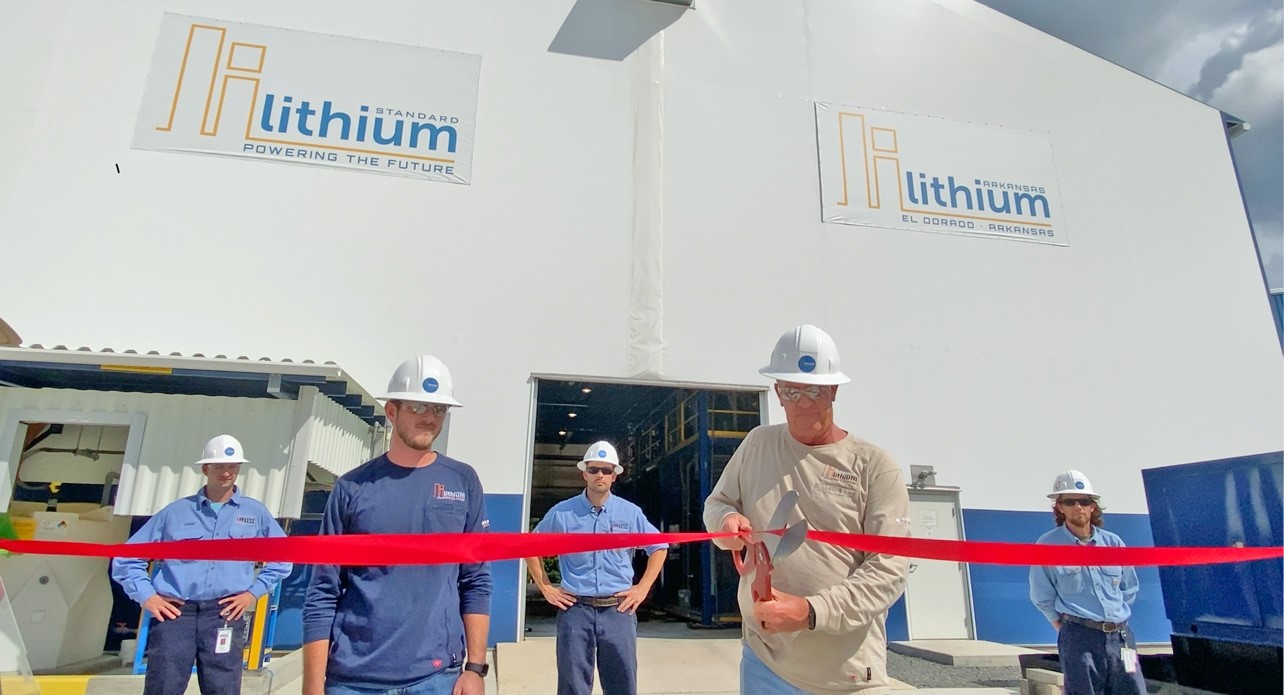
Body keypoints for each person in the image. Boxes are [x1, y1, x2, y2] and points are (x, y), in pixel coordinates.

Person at [703, 324, 911, 694]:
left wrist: (811, 611)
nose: (801, 401)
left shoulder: (874, 466)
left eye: (813, 390)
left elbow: (889, 569)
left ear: (833, 390)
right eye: (791, 389)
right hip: (764, 661)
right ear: (778, 393)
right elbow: (717, 503)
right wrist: (726, 522)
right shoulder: (757, 444)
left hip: (842, 673)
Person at [303, 355, 492, 695]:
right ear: (392, 411)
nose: (430, 418)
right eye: (418, 407)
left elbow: (475, 580)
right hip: (355, 681)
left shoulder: (463, 481)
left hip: (438, 678)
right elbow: (322, 592)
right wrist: (313, 688)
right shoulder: (352, 488)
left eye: (439, 409)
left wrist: (475, 669)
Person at [112, 434, 291, 695]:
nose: (226, 473)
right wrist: (148, 597)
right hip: (175, 614)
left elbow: (284, 556)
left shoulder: (255, 513)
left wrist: (253, 594)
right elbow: (127, 558)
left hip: (225, 614)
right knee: (164, 687)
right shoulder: (175, 513)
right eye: (219, 466)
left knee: (223, 689)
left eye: (233, 467)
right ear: (205, 468)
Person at [525, 440, 668, 695]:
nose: (599, 475)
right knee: (572, 686)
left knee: (622, 684)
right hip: (575, 611)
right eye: (594, 470)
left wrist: (642, 588)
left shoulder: (630, 513)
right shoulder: (563, 514)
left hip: (618, 610)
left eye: (606, 470)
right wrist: (546, 587)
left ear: (614, 476)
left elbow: (659, 546)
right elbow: (530, 546)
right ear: (584, 474)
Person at [1029, 470, 1146, 695]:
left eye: (1084, 501)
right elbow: (1042, 597)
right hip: (1079, 639)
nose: (1078, 507)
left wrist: (1115, 618)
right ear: (1060, 507)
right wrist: (1066, 629)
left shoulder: (1113, 543)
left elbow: (1129, 588)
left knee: (1135, 691)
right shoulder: (1048, 546)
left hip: (1121, 640)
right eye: (1070, 501)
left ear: (1093, 506)